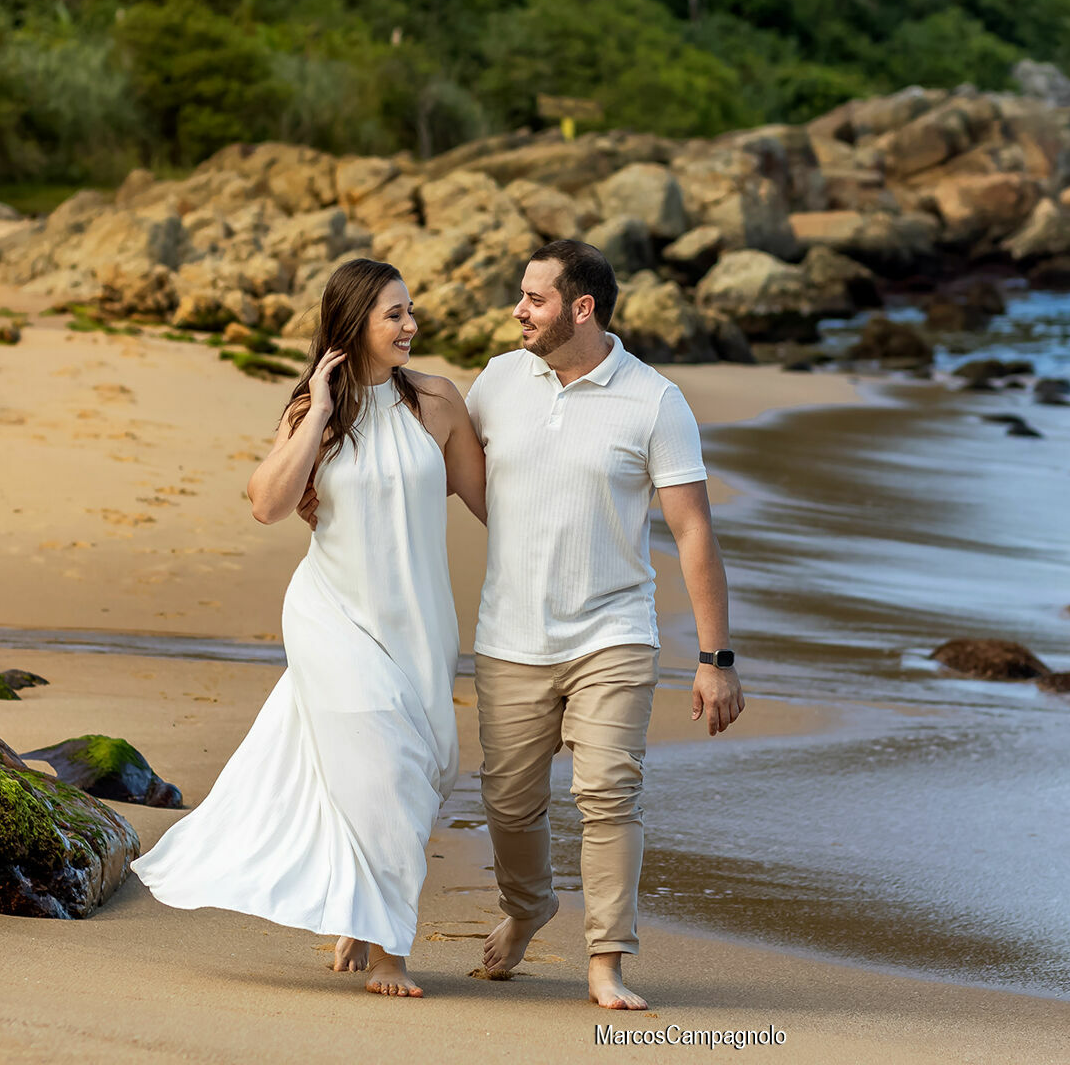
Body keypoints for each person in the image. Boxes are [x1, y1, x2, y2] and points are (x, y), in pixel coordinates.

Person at [133, 257, 486, 999]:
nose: (411, 324)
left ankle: (358, 909)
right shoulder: (313, 412)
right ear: (353, 323)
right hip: (332, 615)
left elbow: (493, 505)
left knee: (416, 771)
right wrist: (321, 408)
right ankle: (389, 951)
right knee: (386, 770)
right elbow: (267, 504)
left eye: (411, 310)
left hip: (419, 624)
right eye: (394, 313)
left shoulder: (439, 401)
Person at [466, 239, 745, 1010]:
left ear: (581, 308)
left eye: (535, 299)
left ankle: (605, 960)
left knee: (610, 796)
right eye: (522, 297)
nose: (518, 311)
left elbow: (693, 531)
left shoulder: (654, 401)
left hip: (612, 635)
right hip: (510, 635)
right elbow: (439, 463)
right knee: (507, 802)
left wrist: (715, 658)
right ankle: (529, 906)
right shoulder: (497, 380)